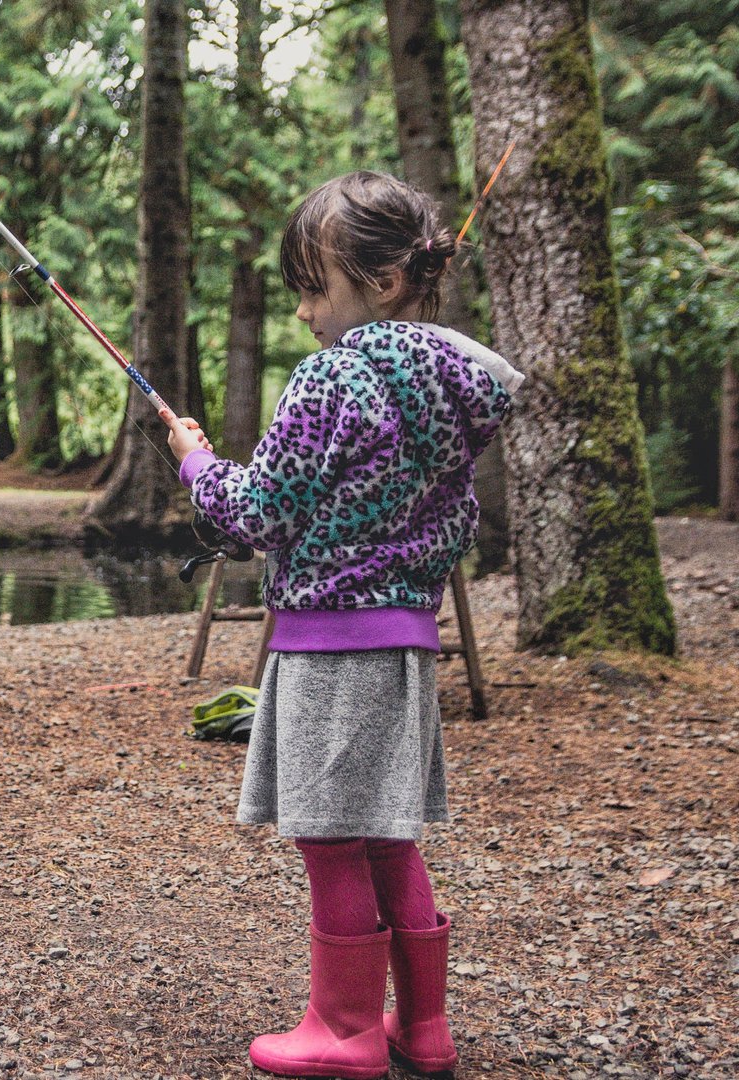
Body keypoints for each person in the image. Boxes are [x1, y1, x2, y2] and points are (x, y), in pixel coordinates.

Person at [164, 170, 524, 1079]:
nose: (303, 312)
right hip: (406, 644)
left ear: (386, 283)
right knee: (386, 832)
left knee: (328, 833)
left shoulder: (330, 377)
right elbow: (451, 522)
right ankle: (423, 1029)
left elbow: (258, 514)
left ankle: (347, 1029)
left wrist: (197, 462)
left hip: (331, 645)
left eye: (315, 287)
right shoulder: (451, 390)